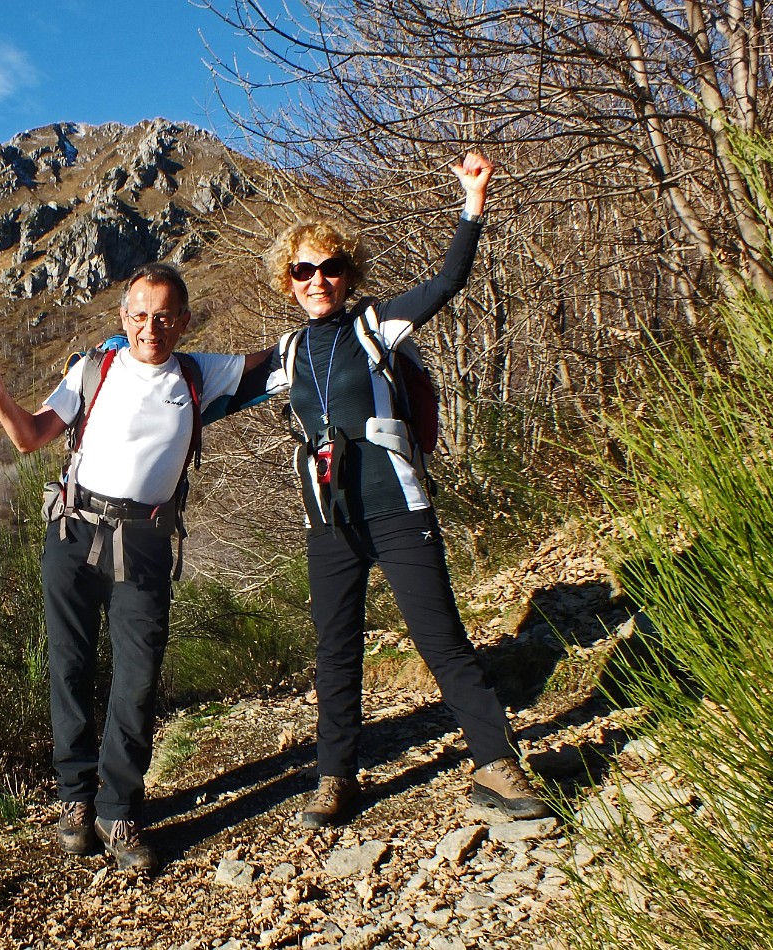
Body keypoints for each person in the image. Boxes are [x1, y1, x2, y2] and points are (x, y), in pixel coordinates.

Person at [246, 151, 551, 826]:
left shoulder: (375, 324)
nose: (317, 280)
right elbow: (206, 392)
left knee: (440, 640)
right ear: (287, 281)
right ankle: (335, 779)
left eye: (330, 268)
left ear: (348, 273)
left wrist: (473, 202)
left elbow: (448, 280)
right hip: (329, 523)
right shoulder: (286, 357)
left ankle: (497, 766)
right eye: (303, 271)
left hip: (398, 507)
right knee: (335, 653)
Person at [0, 263, 267, 871]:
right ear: (122, 316)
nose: (149, 327)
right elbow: (29, 438)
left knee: (136, 678)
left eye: (163, 316)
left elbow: (274, 361)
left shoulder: (199, 372)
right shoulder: (93, 369)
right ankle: (74, 802)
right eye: (138, 314)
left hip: (145, 542)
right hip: (73, 533)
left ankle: (118, 807)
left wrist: (335, 321)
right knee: (70, 668)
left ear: (183, 321)